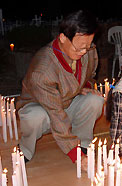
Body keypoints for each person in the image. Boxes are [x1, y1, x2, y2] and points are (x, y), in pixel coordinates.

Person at [16, 10, 104, 170]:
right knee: (35, 116)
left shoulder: (88, 50)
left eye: (88, 45)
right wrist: (75, 155)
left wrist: (83, 87)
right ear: (63, 38)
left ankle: (82, 143)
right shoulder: (43, 70)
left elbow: (90, 74)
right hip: (41, 108)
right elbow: (55, 113)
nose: (84, 52)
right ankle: (25, 150)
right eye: (79, 48)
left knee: (95, 100)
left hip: (67, 102)